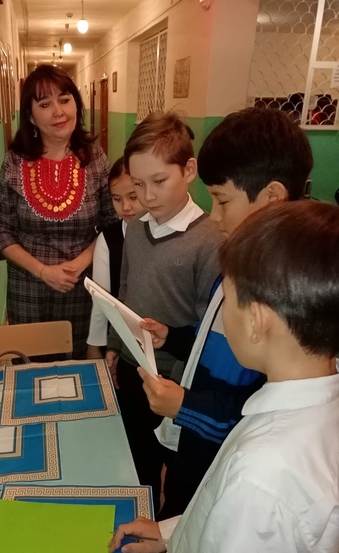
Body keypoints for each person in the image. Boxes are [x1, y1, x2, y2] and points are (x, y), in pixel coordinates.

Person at [73, 200, 339, 553]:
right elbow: (231, 527)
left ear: (257, 321)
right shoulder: (308, 407)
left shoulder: (264, 476)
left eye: (227, 300)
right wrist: (171, 532)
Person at [139, 107, 314, 519]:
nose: (214, 215)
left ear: (271, 197)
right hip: (195, 446)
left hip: (224, 467)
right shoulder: (239, 260)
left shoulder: (287, 296)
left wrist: (184, 406)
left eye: (221, 200)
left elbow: (256, 413)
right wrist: (175, 337)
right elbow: (215, 341)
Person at [106, 112, 224, 511]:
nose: (148, 196)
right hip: (132, 367)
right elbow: (124, 289)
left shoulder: (210, 241)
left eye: (159, 181)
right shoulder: (136, 228)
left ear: (188, 170)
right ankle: (140, 517)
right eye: (139, 185)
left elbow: (210, 328)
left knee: (174, 469)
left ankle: (165, 526)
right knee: (136, 457)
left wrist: (178, 374)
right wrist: (114, 344)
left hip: (175, 381)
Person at [0, 65, 118, 359]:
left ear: (76, 103)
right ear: (30, 115)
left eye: (64, 99)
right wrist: (43, 271)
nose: (58, 112)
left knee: (81, 366)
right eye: (45, 104)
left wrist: (80, 264)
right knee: (31, 366)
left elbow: (112, 224)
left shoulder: (96, 158)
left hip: (83, 286)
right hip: (29, 290)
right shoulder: (14, 162)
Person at [86, 157, 143, 360]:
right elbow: (101, 299)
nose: (125, 207)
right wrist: (94, 345)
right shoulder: (108, 239)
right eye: (117, 199)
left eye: (133, 197)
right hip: (117, 340)